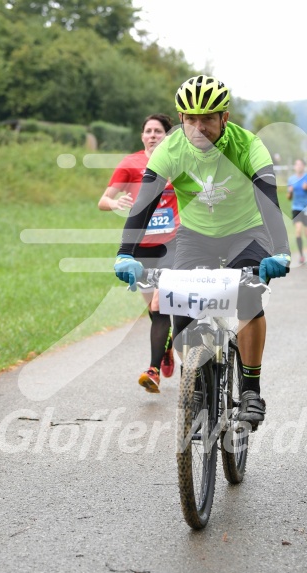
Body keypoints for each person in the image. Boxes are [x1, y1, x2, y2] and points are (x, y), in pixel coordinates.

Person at [114, 75, 291, 431]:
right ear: (180, 119)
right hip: (196, 235)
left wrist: (281, 252)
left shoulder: (247, 145)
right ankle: (194, 380)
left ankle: (252, 391)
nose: (198, 127)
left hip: (247, 233)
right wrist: (125, 253)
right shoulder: (172, 148)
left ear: (225, 117)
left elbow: (268, 201)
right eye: (190, 119)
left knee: (248, 297)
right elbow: (144, 204)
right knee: (181, 302)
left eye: (207, 118)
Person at [98, 113, 179, 393]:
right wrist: (115, 201)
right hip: (141, 248)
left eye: (158, 131)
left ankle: (153, 369)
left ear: (168, 136)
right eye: (148, 131)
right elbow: (103, 200)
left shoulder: (178, 161)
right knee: (156, 312)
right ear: (142, 136)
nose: (153, 135)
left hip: (173, 244)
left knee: (161, 303)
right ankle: (166, 348)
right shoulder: (130, 164)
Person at [287, 158, 307, 264]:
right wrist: (291, 192)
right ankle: (301, 255)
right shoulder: (291, 179)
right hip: (296, 207)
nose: (299, 166)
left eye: (301, 165)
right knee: (298, 230)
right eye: (297, 165)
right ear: (295, 167)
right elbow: (288, 198)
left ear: (303, 166)